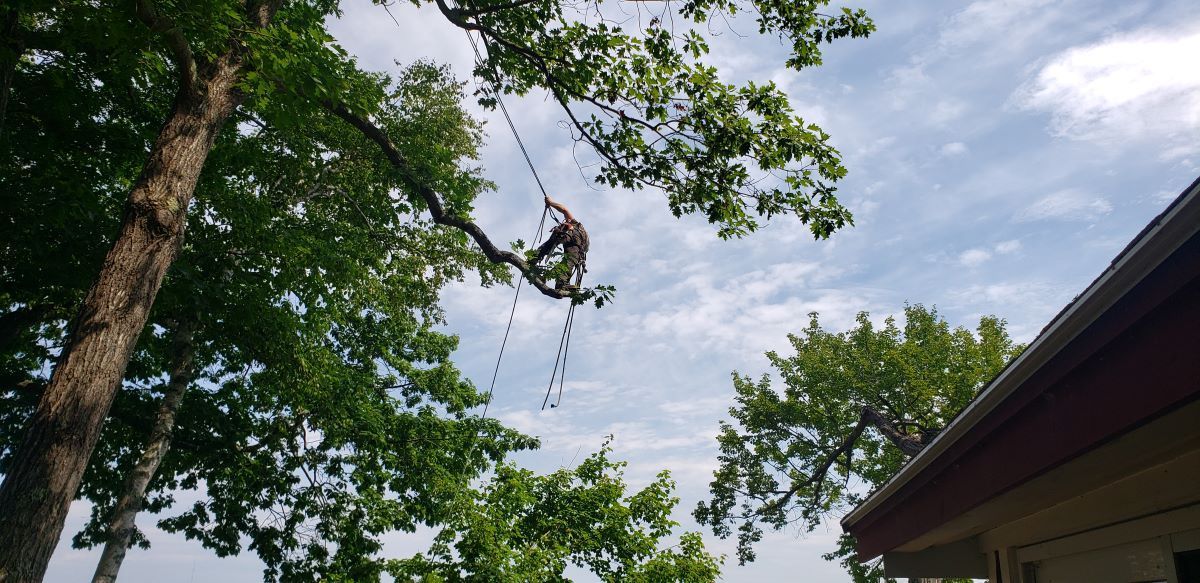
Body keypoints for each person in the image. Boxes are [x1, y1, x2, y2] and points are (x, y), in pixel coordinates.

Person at [535, 195, 589, 290]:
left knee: (567, 258)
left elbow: (564, 210)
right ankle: (561, 283)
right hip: (576, 243)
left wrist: (551, 202)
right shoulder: (576, 227)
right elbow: (564, 210)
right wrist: (551, 203)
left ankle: (535, 258)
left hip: (577, 243)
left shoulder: (576, 226)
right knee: (569, 259)